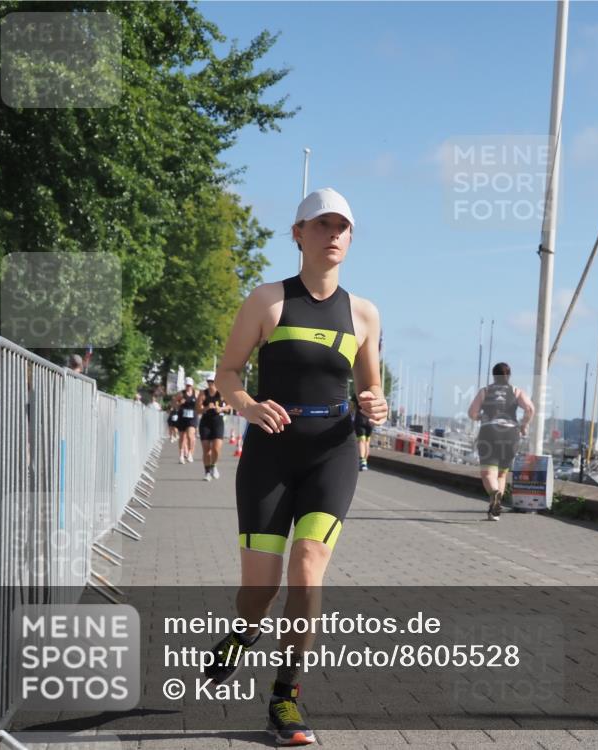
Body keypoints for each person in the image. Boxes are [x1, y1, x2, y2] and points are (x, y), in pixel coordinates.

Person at [208, 188, 387, 745]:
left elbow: (371, 387)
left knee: (307, 570)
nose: (333, 234)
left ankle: (285, 696)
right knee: (259, 591)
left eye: (342, 227)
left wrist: (376, 404)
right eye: (322, 225)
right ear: (298, 234)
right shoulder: (268, 300)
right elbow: (227, 373)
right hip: (270, 454)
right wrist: (248, 405)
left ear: (350, 239)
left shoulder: (364, 313)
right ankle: (244, 634)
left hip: (333, 453)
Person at [468, 363, 535, 521]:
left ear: (493, 375)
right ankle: (494, 511)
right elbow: (530, 409)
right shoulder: (516, 391)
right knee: (501, 474)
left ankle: (494, 494)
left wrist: (480, 417)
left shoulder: (485, 391)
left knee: (488, 473)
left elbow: (472, 412)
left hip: (489, 432)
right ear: (509, 375)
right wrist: (524, 425)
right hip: (510, 434)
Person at [197, 374, 230, 481]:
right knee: (206, 449)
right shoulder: (203, 393)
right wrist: (206, 408)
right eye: (209, 382)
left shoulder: (222, 393)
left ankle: (213, 465)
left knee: (216, 449)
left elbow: (230, 405)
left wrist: (221, 409)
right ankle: (207, 472)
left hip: (217, 422)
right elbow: (197, 409)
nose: (210, 384)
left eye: (212, 381)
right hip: (205, 422)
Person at [173, 377, 198, 464]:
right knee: (182, 437)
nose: (188, 387)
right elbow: (174, 404)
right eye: (187, 385)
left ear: (192, 385)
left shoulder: (196, 393)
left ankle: (190, 453)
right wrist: (180, 403)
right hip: (182, 417)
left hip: (192, 418)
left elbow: (200, 403)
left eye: (190, 385)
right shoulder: (181, 394)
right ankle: (181, 455)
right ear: (185, 385)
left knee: (190, 436)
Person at [351, 392, 373, 471]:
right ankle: (365, 462)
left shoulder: (357, 393)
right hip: (370, 420)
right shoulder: (372, 393)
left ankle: (362, 461)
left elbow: (351, 407)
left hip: (360, 419)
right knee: (367, 442)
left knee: (361, 440)